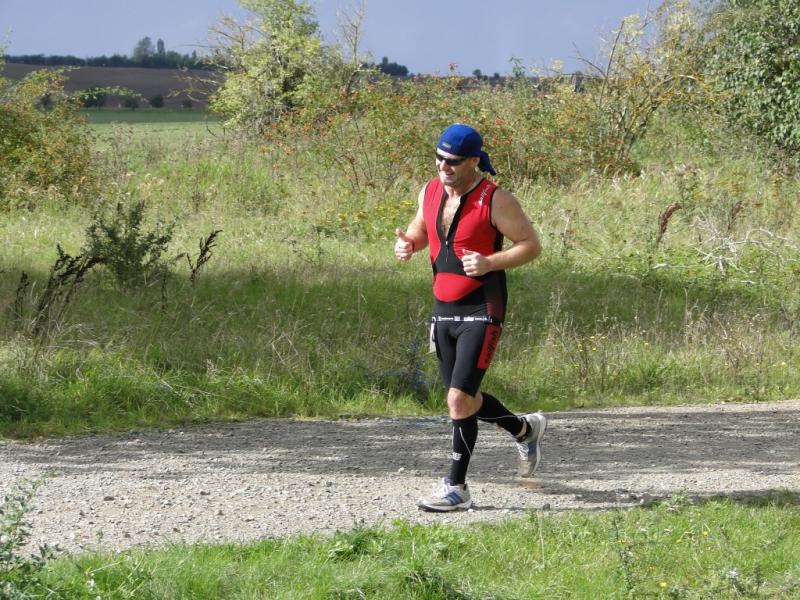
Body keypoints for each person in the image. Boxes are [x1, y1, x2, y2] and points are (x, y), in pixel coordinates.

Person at [394, 123, 545, 512]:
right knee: (464, 398)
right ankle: (524, 428)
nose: (444, 166)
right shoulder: (429, 191)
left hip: (483, 305)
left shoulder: (496, 200)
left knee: (458, 399)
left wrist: (490, 262)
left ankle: (456, 487)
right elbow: (421, 228)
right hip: (443, 307)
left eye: (453, 161)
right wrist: (408, 243)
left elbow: (531, 245)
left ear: (474, 161)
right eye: (439, 158)